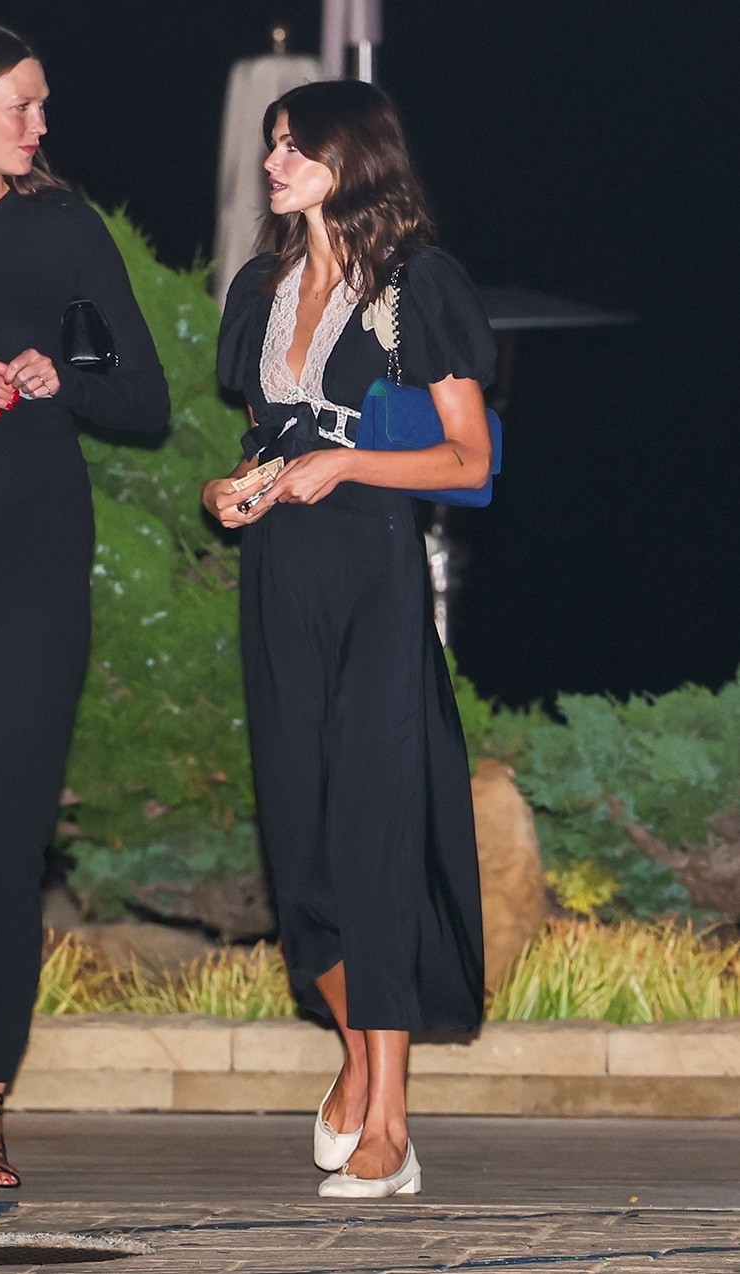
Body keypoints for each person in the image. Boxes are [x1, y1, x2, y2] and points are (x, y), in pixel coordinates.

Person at [202, 80, 497, 1198]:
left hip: (374, 568)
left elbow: (468, 460)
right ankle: (356, 1059)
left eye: (295, 147)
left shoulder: (419, 284)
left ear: (352, 160)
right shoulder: (263, 285)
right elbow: (268, 438)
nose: (274, 162)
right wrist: (234, 484)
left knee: (375, 839)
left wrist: (348, 461)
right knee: (304, 851)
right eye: (273, 145)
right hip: (280, 574)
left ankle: (388, 1122)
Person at [0, 22, 169, 1190]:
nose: (43, 127)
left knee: (5, 832)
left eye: (43, 105)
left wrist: (70, 374)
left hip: (30, 583)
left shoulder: (63, 228)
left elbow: (144, 399)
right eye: (23, 106)